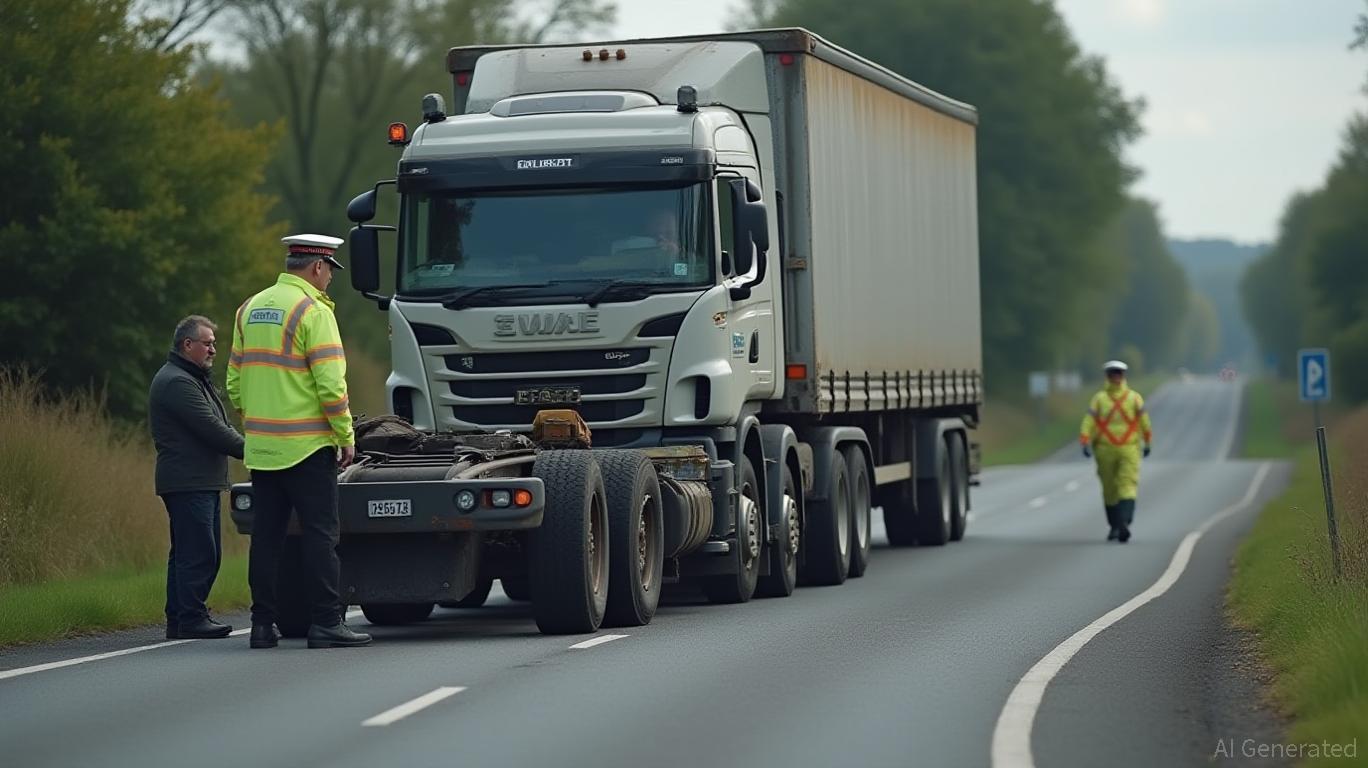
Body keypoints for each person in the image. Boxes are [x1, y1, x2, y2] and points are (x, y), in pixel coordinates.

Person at [227, 234, 370, 649]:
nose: (329, 281)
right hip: (308, 448)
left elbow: (235, 381)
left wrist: (256, 418)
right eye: (329, 273)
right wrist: (345, 436)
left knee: (267, 538)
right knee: (321, 535)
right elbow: (330, 385)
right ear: (318, 267)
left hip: (263, 449)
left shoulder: (248, 309)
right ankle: (325, 621)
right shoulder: (313, 310)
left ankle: (261, 625)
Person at [148, 315, 245, 639]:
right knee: (201, 552)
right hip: (190, 482)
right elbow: (212, 429)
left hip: (196, 481)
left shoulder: (190, 378)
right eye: (207, 343)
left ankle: (180, 618)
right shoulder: (178, 382)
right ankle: (191, 617)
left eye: (214, 343)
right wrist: (257, 452)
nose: (213, 350)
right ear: (187, 345)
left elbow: (220, 423)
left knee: (188, 552)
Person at [1079, 360, 1153, 543]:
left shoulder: (1100, 399)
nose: (1116, 376)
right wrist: (1148, 442)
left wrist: (1085, 441)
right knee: (1118, 487)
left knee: (1118, 486)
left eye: (1117, 373)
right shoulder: (1133, 398)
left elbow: (1088, 421)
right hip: (1122, 449)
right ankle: (1120, 523)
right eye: (1115, 373)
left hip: (1113, 449)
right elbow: (1145, 422)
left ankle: (1120, 524)